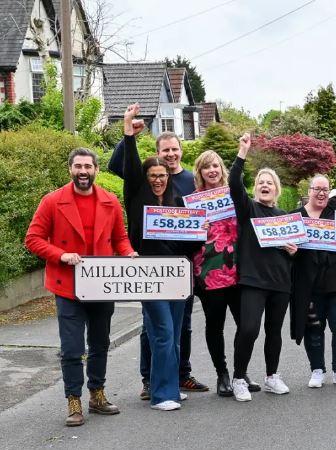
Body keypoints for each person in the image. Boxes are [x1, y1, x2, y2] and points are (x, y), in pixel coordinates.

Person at [25, 147, 136, 426]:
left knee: (100, 343)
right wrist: (60, 255)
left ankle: (97, 394)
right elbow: (33, 239)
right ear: (70, 169)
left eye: (88, 166)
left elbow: (120, 238)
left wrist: (129, 254)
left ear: (96, 170)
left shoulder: (111, 202)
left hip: (102, 286)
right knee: (72, 348)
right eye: (78, 166)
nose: (83, 171)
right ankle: (73, 400)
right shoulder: (52, 201)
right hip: (67, 287)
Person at [108, 121, 207, 397]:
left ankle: (174, 379)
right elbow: (128, 166)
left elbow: (190, 240)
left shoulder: (179, 198)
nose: (159, 179)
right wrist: (128, 134)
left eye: (163, 175)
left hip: (178, 272)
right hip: (149, 272)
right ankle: (154, 385)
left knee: (175, 332)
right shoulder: (138, 194)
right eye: (153, 174)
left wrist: (201, 233)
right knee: (158, 330)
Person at [228, 134, 297, 402]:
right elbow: (234, 184)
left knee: (274, 331)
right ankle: (239, 377)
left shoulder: (285, 217)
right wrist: (242, 153)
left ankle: (272, 376)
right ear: (255, 188)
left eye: (270, 183)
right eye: (261, 182)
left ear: (277, 190)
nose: (265, 185)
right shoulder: (248, 210)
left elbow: (295, 251)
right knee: (248, 329)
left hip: (280, 282)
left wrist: (294, 252)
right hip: (253, 281)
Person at [290, 146, 336, 388]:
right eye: (317, 189)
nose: (321, 193)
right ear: (308, 191)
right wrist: (291, 251)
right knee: (313, 328)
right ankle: (317, 370)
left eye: (325, 189)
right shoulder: (296, 216)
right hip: (309, 285)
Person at [191, 150, 241, 397]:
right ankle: (222, 374)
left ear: (222, 169)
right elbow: (184, 239)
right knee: (215, 326)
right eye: (206, 167)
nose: (212, 170)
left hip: (239, 271)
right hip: (209, 273)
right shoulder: (192, 203)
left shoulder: (234, 196)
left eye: (216, 166)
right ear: (199, 172)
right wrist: (195, 228)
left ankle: (240, 372)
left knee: (246, 325)